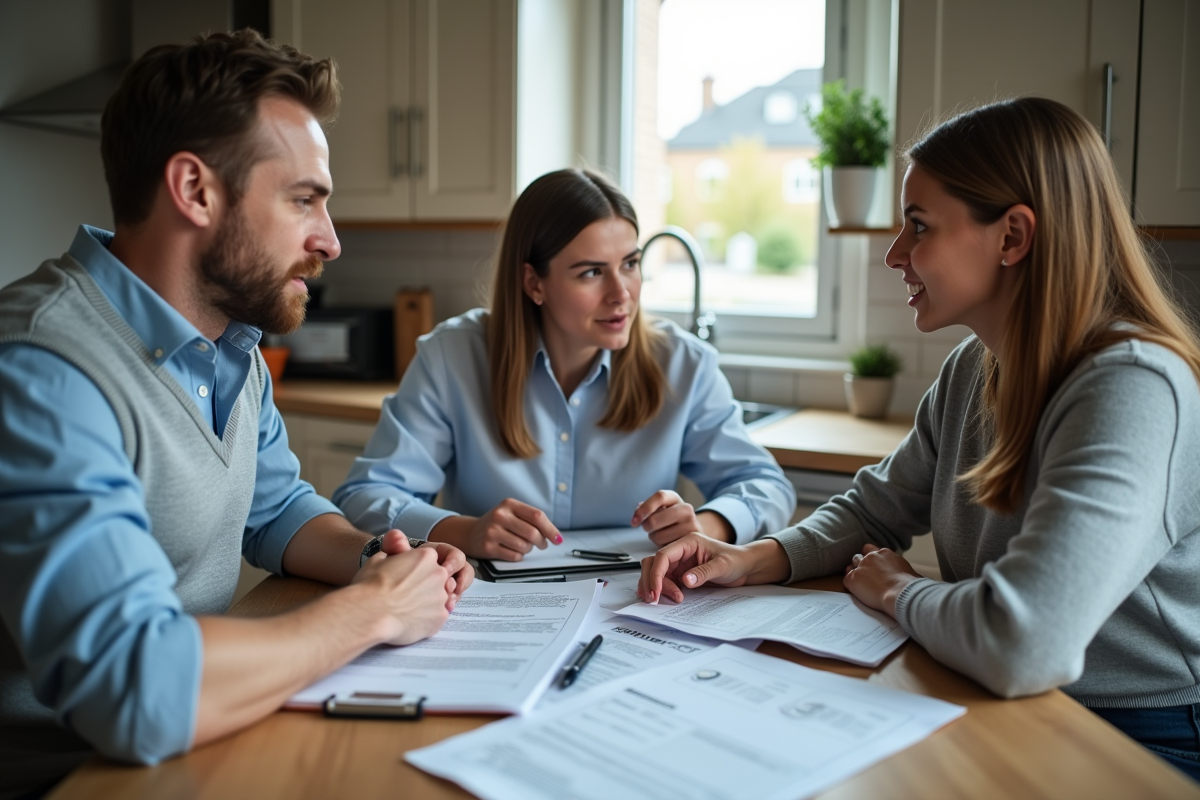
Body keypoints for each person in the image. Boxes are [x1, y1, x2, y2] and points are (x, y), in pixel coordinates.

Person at [637, 97, 1200, 779]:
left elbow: (1022, 642)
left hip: (1138, 730)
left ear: (1012, 237)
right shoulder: (975, 368)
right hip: (999, 693)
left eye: (919, 226)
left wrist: (898, 592)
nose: (894, 253)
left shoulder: (1135, 388)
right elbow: (874, 510)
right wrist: (749, 558)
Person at [0, 30, 473, 797]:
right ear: (194, 190)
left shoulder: (233, 348)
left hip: (200, 734)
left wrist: (377, 558)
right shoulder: (42, 368)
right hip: (70, 775)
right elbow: (132, 688)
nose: (331, 240)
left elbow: (275, 508)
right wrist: (374, 610)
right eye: (303, 199)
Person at [334, 169, 795, 561]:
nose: (621, 293)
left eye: (630, 264)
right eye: (592, 272)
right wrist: (465, 531)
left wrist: (706, 526)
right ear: (534, 282)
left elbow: (765, 485)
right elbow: (365, 496)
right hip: (488, 605)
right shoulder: (451, 358)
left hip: (634, 603)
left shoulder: (683, 364)